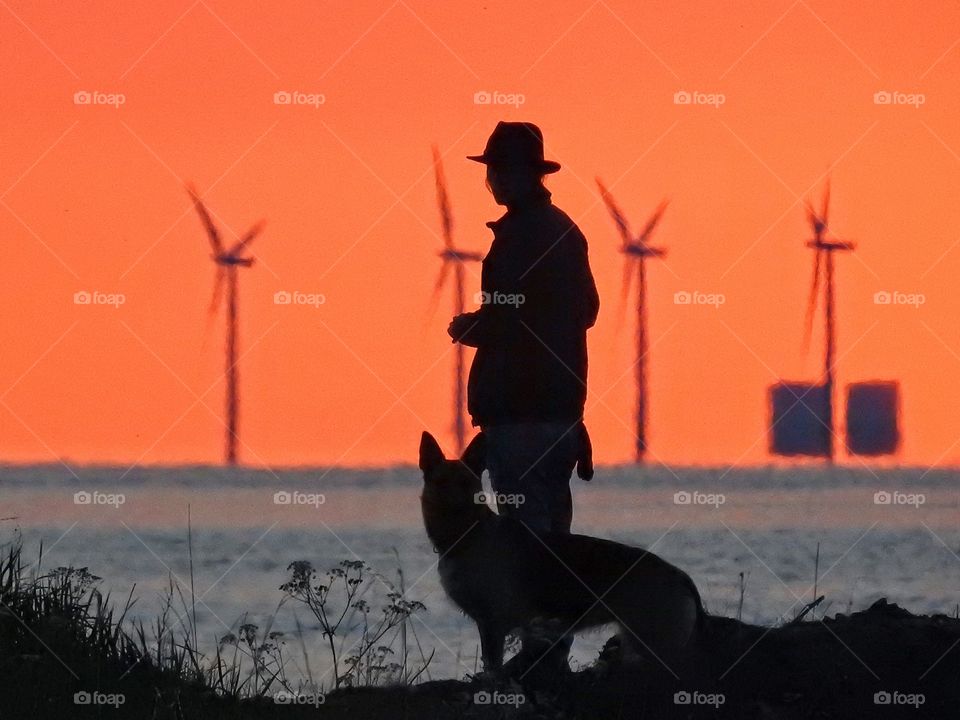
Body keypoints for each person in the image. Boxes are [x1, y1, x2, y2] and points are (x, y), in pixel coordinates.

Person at [448, 120, 599, 536]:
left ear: (512, 175)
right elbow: (587, 310)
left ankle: (533, 603)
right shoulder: (566, 230)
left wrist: (468, 327)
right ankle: (561, 602)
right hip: (563, 415)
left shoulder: (518, 235)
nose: (490, 181)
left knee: (525, 543)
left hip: (520, 418)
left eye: (494, 171)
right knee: (556, 540)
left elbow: (507, 320)